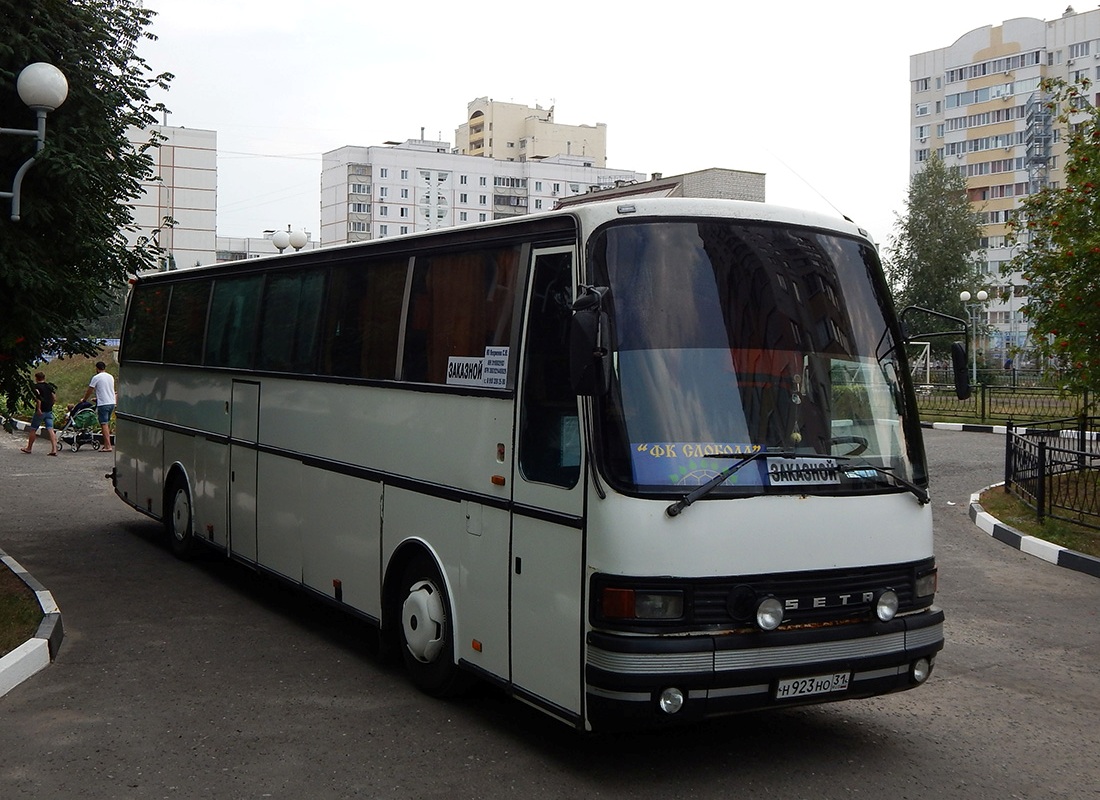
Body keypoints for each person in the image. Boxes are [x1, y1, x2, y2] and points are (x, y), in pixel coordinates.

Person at [81, 361, 116, 452]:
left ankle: (108, 446)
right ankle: (105, 444)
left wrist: (84, 399)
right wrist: (97, 399)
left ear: (97, 368)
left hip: (103, 404)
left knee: (103, 424)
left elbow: (90, 389)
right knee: (106, 423)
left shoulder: (96, 377)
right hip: (111, 402)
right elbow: (107, 390)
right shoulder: (110, 377)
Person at [21, 372, 58, 456]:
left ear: (36, 378)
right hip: (49, 411)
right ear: (44, 377)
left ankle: (29, 448)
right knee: (50, 429)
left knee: (33, 429)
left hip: (41, 411)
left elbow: (38, 399)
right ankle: (54, 449)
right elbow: (54, 398)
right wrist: (51, 405)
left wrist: (38, 409)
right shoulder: (49, 386)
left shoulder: (36, 387)